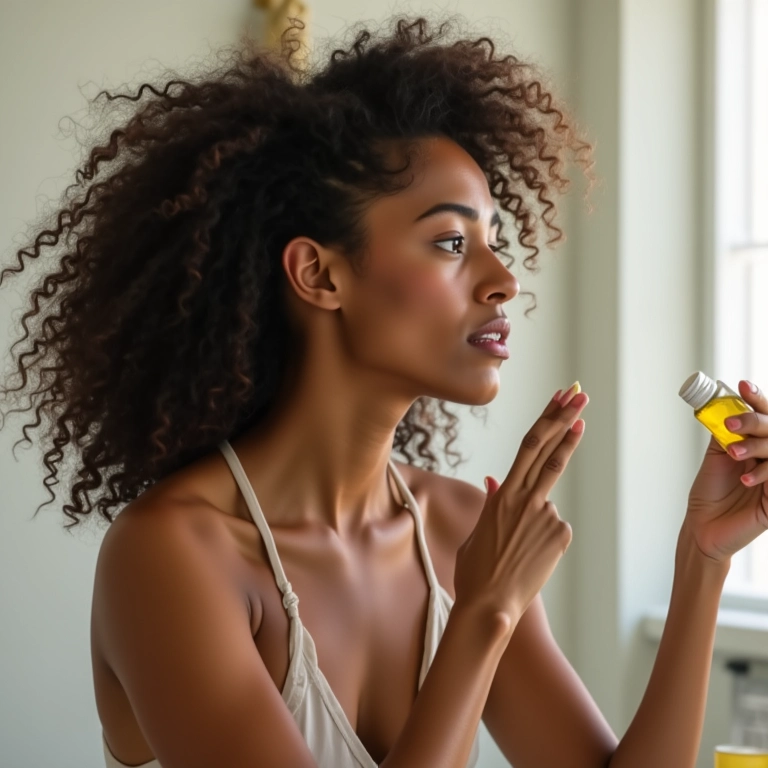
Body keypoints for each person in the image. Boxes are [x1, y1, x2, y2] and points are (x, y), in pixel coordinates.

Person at [2, 14, 766, 768]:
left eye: (494, 243)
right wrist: (482, 615)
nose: (503, 282)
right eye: (450, 242)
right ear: (321, 275)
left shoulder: (458, 528)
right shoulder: (171, 556)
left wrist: (703, 558)